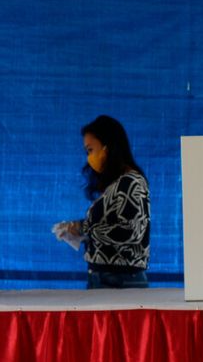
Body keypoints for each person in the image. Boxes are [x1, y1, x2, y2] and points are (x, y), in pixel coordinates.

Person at [55, 115, 151, 289]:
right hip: (104, 276)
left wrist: (84, 229)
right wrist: (78, 229)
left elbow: (131, 232)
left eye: (90, 150)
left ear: (108, 147)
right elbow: (110, 225)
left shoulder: (132, 182)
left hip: (121, 279)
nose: (89, 158)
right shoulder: (114, 184)